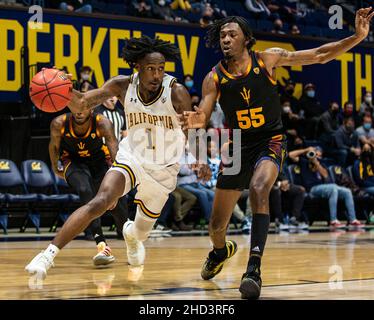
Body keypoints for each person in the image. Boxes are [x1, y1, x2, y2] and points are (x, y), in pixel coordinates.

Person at [180, 10, 374, 299]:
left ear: (246, 39)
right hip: (237, 146)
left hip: (270, 140)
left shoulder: (267, 59)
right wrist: (196, 149)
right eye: (222, 36)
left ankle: (253, 268)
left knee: (260, 188)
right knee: (217, 225)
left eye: (232, 34)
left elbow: (320, 54)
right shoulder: (214, 78)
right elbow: (202, 118)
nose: (226, 39)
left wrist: (357, 37)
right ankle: (220, 251)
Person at [25, 36, 208, 279]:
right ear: (137, 67)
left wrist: (200, 156)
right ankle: (47, 255)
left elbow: (193, 128)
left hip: (164, 168)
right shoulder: (122, 86)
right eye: (151, 69)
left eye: (161, 69)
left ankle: (131, 236)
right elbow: (81, 103)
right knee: (101, 200)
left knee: (141, 231)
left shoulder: (176, 92)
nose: (156, 75)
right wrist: (65, 90)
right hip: (131, 155)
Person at [48, 110, 128, 265]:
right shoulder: (59, 123)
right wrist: (54, 167)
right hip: (73, 162)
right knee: (85, 190)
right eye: (75, 106)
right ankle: (101, 244)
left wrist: (119, 172)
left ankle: (131, 241)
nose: (79, 111)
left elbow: (113, 145)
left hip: (99, 162)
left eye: (83, 107)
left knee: (116, 203)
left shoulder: (102, 122)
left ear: (91, 108)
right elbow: (53, 146)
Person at [289, 147, 364, 228]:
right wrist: (306, 150)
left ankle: (353, 220)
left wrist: (316, 163)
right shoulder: (304, 162)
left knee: (347, 191)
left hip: (323, 188)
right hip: (312, 189)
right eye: (315, 154)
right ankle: (333, 220)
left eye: (318, 155)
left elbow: (325, 175)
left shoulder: (321, 163)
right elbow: (290, 155)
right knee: (334, 189)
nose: (316, 156)